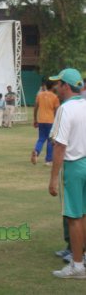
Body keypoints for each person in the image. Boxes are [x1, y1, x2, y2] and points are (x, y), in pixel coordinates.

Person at [48, 68, 86, 279]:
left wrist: (53, 178)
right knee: (84, 215)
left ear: (66, 86)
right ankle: (82, 259)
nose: (56, 88)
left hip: (74, 166)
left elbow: (60, 146)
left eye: (59, 84)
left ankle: (78, 265)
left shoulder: (66, 109)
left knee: (74, 217)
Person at [30, 80, 60, 166]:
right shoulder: (55, 97)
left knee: (41, 138)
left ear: (46, 86)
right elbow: (57, 111)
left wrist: (35, 119)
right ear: (53, 86)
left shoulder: (40, 95)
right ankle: (49, 160)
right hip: (50, 121)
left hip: (41, 121)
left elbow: (35, 108)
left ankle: (36, 151)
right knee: (50, 140)